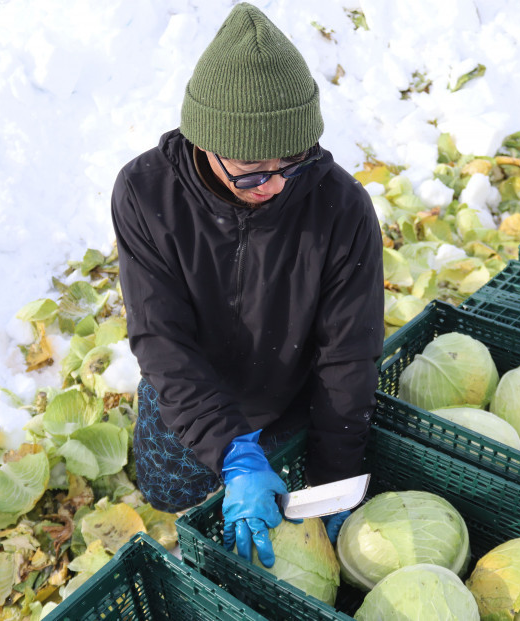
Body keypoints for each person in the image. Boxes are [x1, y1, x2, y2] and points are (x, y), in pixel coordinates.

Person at [111, 2, 384, 568]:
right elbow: (161, 340)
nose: (278, 186)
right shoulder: (145, 193)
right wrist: (232, 450)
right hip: (187, 397)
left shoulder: (341, 208)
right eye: (254, 171)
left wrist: (335, 478)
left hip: (290, 397)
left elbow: (347, 357)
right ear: (205, 142)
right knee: (172, 498)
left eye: (294, 162)